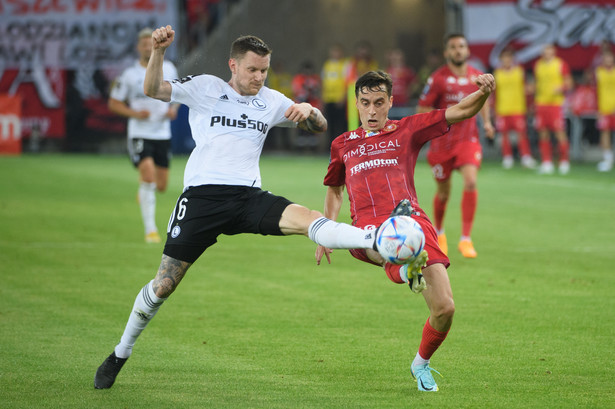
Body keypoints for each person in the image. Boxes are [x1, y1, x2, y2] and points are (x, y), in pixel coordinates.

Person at [94, 25, 393, 390]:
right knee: (164, 284)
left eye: (264, 70)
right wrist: (157, 52)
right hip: (202, 197)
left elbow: (321, 125)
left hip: (247, 198)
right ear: (233, 65)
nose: (259, 77)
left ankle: (376, 239)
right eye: (252, 70)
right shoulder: (206, 88)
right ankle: (120, 353)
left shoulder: (270, 100)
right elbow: (153, 89)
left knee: (309, 218)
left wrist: (308, 109)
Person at [316, 70, 495, 392]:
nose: (372, 111)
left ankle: (420, 363)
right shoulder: (342, 145)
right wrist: (326, 232)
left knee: (445, 308)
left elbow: (462, 110)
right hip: (367, 229)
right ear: (356, 103)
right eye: (366, 103)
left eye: (379, 103)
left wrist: (483, 92)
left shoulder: (408, 130)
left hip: (411, 221)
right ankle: (404, 270)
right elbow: (334, 190)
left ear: (390, 103)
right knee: (386, 244)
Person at [417, 33, 495, 259]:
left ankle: (466, 239)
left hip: (468, 140)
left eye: (461, 46)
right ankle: (439, 233)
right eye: (453, 47)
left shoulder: (477, 77)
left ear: (467, 50)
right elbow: (422, 108)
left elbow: (484, 99)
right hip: (442, 143)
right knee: (443, 193)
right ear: (446, 53)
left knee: (471, 181)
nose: (458, 50)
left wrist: (487, 123)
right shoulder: (438, 79)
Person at [108, 28, 180, 243]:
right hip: (139, 133)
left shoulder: (168, 68)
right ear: (138, 47)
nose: (148, 47)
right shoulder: (130, 75)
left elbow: (177, 93)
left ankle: (144, 189)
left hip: (162, 132)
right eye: (144, 44)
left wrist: (173, 110)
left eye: (151, 43)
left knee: (161, 185)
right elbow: (114, 102)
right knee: (148, 174)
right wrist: (134, 113)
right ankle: (151, 231)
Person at [530, 43, 573, 175]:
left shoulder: (561, 64)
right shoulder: (538, 65)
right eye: (545, 51)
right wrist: (532, 90)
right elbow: (537, 84)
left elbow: (569, 83)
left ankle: (564, 162)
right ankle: (546, 162)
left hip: (556, 104)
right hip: (541, 103)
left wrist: (562, 88)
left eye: (549, 50)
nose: (547, 53)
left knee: (559, 132)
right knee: (543, 133)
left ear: (554, 52)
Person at [493, 48, 536, 169]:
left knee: (521, 134)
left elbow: (527, 89)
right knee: (504, 135)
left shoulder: (519, 72)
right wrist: (494, 110)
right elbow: (494, 93)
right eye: (504, 58)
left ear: (512, 59)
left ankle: (526, 157)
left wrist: (529, 105)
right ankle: (507, 158)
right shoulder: (497, 74)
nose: (506, 60)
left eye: (509, 57)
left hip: (518, 108)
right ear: (501, 60)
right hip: (502, 108)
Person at [321, 43, 349, 146]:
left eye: (337, 51)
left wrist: (343, 98)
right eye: (333, 51)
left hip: (340, 99)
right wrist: (323, 98)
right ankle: (331, 146)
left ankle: (342, 145)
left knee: (341, 124)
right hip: (329, 99)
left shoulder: (345, 64)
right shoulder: (327, 65)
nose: (335, 54)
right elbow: (324, 82)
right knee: (330, 124)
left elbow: (347, 82)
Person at [595, 50, 615, 172]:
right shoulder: (599, 72)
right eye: (606, 58)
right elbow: (597, 91)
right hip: (604, 108)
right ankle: (608, 159)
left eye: (610, 58)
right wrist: (598, 109)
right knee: (605, 133)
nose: (608, 60)